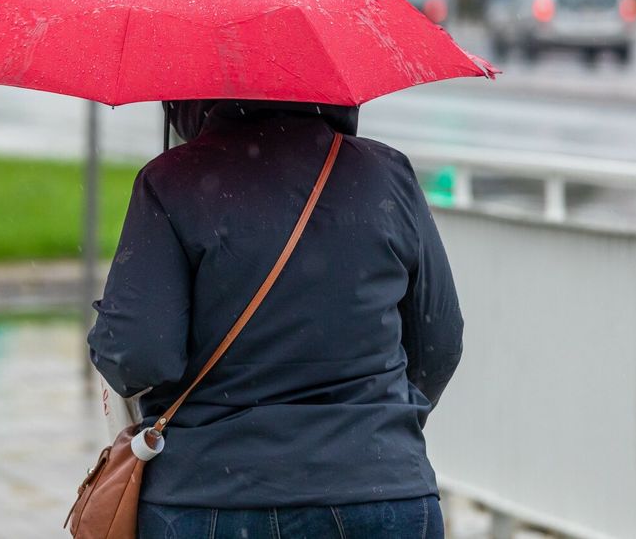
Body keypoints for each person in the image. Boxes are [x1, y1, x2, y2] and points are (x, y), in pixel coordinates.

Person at [88, 99, 463, 539]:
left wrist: (110, 332)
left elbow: (139, 357)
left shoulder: (172, 182)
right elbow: (439, 342)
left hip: (210, 496)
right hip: (381, 491)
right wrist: (370, 432)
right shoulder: (386, 175)